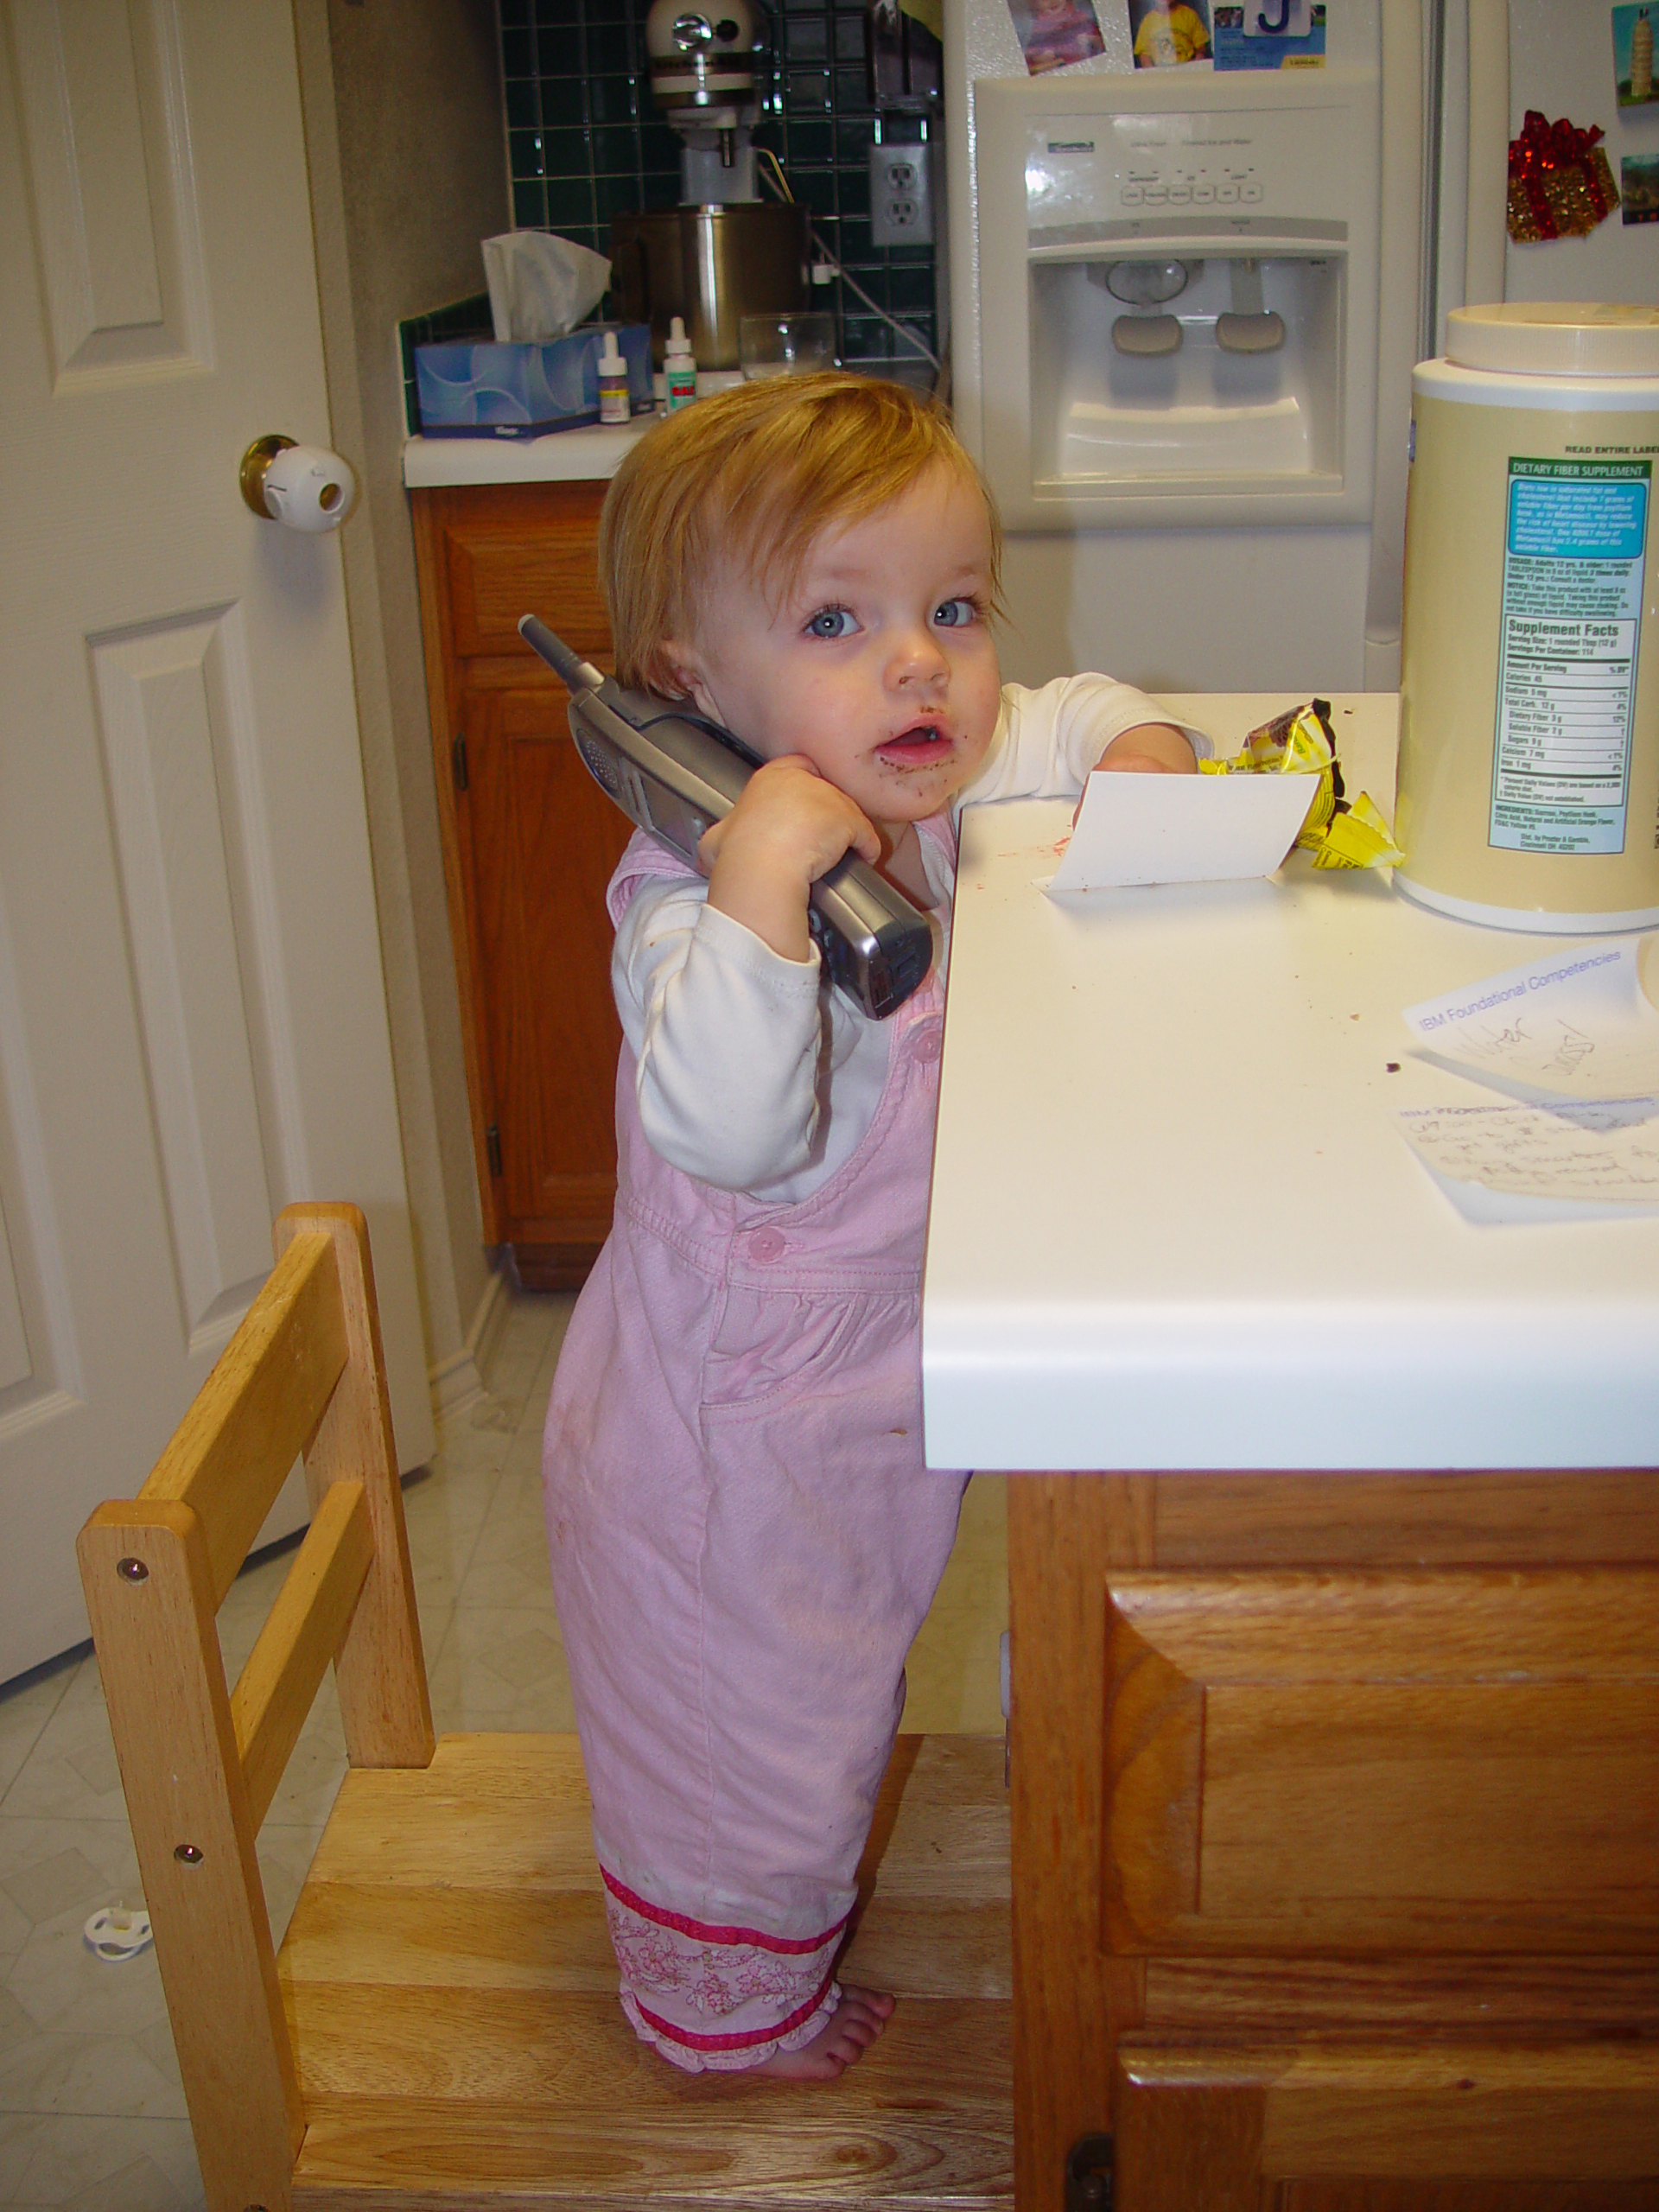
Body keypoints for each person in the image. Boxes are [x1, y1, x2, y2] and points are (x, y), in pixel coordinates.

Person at [542, 372, 1200, 2081]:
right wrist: (763, 881)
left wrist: (1129, 740)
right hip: (720, 1441)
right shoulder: (696, 912)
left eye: (953, 607)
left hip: (861, 1384)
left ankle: (768, 1930)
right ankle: (721, 2011)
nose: (923, 663)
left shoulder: (915, 780)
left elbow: (1050, 717)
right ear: (688, 679)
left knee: (847, 1681)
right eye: (838, 617)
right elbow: (733, 1124)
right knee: (746, 1732)